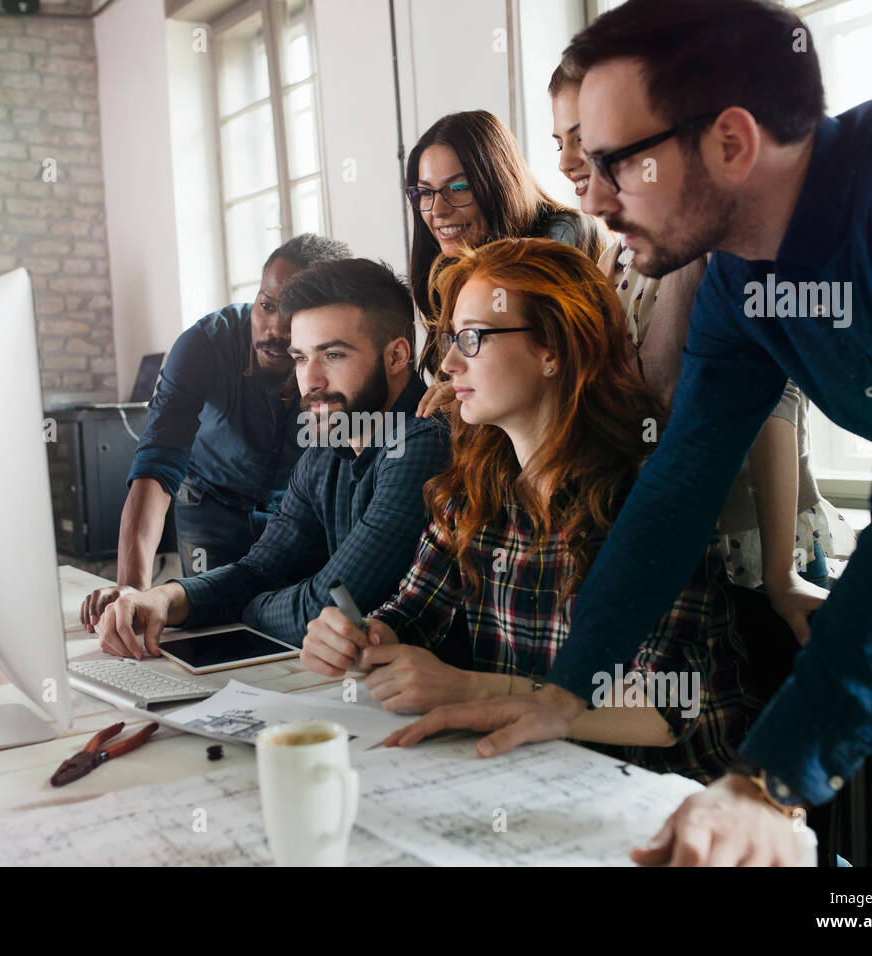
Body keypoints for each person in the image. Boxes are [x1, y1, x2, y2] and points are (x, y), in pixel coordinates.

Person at [388, 0, 872, 868]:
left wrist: (768, 783)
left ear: (730, 143)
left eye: (615, 164)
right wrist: (568, 692)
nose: (591, 196)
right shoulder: (739, 279)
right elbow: (678, 489)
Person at [303, 238, 760, 783]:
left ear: (553, 349)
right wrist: (360, 639)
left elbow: (665, 708)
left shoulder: (648, 492)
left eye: (471, 339)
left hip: (666, 806)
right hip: (530, 782)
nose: (448, 363)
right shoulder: (469, 490)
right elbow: (410, 617)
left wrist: (470, 687)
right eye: (451, 340)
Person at [547, 61, 856, 657]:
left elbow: (773, 401)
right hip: (677, 544)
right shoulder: (608, 261)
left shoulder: (713, 243)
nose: (565, 161)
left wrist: (780, 576)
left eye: (581, 139)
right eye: (558, 142)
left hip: (756, 549)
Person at [92, 258, 451, 655]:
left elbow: (325, 609)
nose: (310, 381)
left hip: (435, 693)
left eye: (332, 355)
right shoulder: (328, 444)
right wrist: (163, 599)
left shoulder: (421, 443)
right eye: (301, 358)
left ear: (397, 356)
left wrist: (245, 606)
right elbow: (261, 569)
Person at [80, 234, 350, 632]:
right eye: (266, 305)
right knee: (204, 625)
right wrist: (132, 589)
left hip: (292, 514)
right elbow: (157, 465)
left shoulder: (336, 363)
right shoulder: (204, 344)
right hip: (210, 503)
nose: (274, 328)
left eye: (292, 314)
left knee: (285, 628)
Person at [405, 110, 606, 374]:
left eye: (458, 188)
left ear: (499, 183)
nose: (438, 210)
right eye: (426, 192)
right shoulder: (445, 268)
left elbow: (553, 374)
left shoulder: (565, 233)